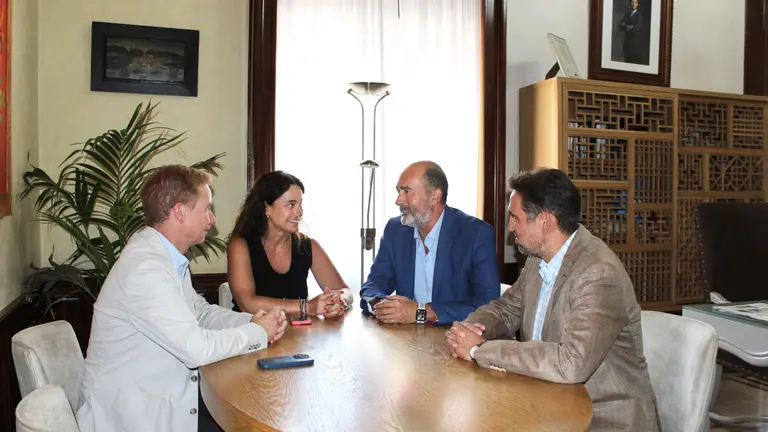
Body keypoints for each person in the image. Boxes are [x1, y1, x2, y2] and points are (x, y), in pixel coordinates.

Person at [76, 165, 288, 432]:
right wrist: (257, 332)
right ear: (179, 212)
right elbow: (195, 349)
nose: (212, 219)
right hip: (133, 416)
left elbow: (201, 313)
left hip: (162, 399)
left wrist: (253, 321)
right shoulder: (145, 268)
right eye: (206, 209)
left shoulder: (166, 257)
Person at [445, 168, 660, 431]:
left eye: (515, 217)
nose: (510, 227)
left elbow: (572, 363)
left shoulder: (598, 273)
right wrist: (468, 329)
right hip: (546, 401)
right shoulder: (538, 259)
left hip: (603, 417)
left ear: (544, 221)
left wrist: (480, 350)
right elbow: (506, 309)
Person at [359, 161, 500, 325]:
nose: (398, 200)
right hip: (405, 336)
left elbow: (488, 305)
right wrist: (381, 306)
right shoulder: (395, 230)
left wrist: (421, 312)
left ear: (435, 196)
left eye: (406, 191)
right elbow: (374, 284)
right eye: (398, 191)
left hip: (454, 334)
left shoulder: (476, 234)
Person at [227, 171, 351, 320]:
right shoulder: (240, 246)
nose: (299, 212)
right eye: (291, 205)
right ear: (267, 208)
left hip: (297, 332)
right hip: (251, 331)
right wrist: (306, 307)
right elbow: (247, 304)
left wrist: (340, 302)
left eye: (300, 204)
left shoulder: (309, 246)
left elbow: (345, 291)